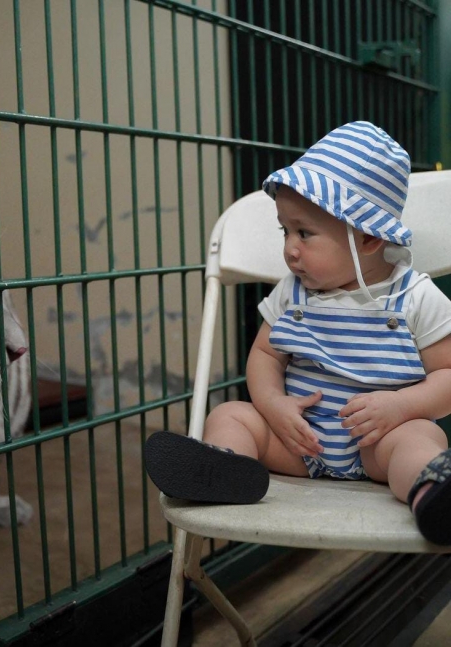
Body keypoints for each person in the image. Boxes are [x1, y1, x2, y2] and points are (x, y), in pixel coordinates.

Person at [145, 121, 451, 545]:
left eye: (304, 232)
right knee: (231, 415)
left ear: (366, 238)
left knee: (420, 439)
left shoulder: (414, 297)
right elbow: (266, 356)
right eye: (284, 230)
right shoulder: (291, 294)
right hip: (298, 443)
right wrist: (273, 407)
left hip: (379, 441)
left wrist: (400, 408)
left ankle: (432, 495)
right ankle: (225, 470)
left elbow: (447, 377)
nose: (289, 247)